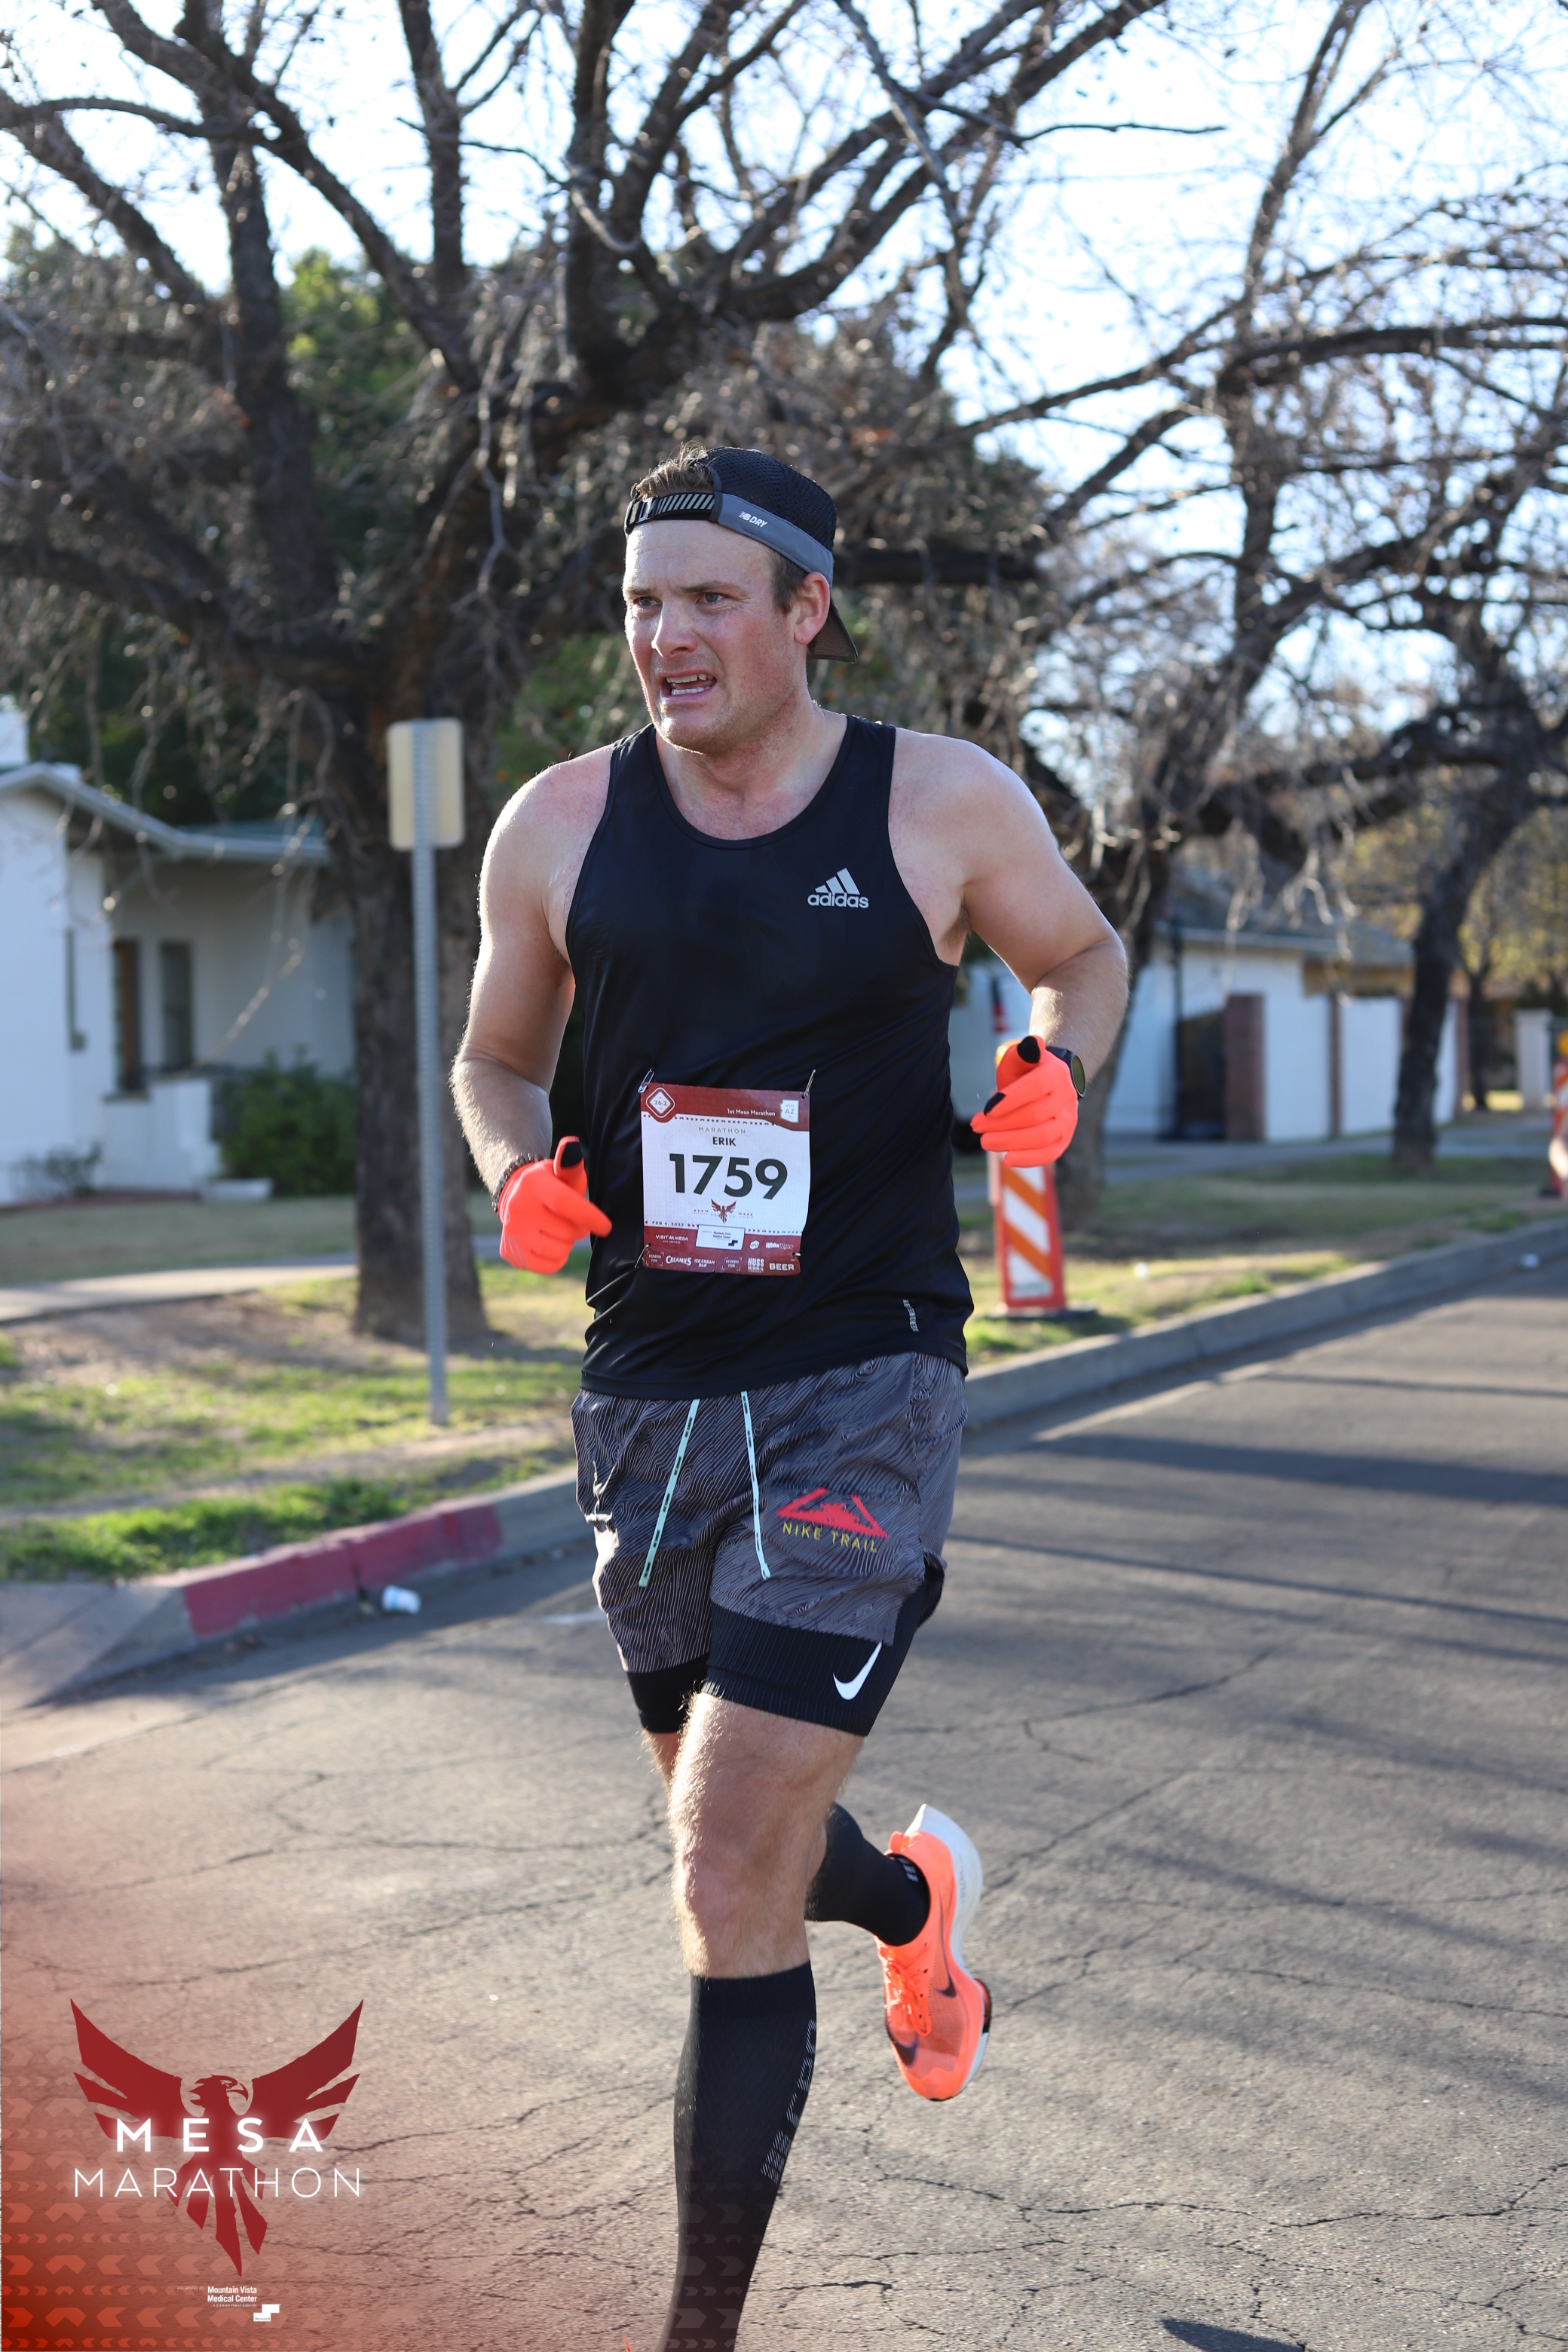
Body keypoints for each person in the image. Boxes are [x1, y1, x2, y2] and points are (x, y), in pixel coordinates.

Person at [452, 446, 1128, 2348]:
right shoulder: (558, 824)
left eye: (706, 600)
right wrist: (515, 1171)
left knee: (718, 1859)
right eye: (641, 604)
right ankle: (910, 1913)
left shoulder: (935, 800)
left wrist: (1055, 1068)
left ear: (805, 609)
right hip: (648, 1390)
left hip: (862, 1371)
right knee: (737, 1838)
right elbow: (495, 1057)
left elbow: (1076, 955)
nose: (664, 637)